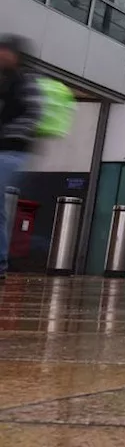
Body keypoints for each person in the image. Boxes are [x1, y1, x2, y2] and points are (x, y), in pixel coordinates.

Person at [0, 36, 43, 282]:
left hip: (11, 151)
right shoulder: (4, 80)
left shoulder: (26, 82)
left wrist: (6, 131)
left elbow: (32, 116)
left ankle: (2, 261)